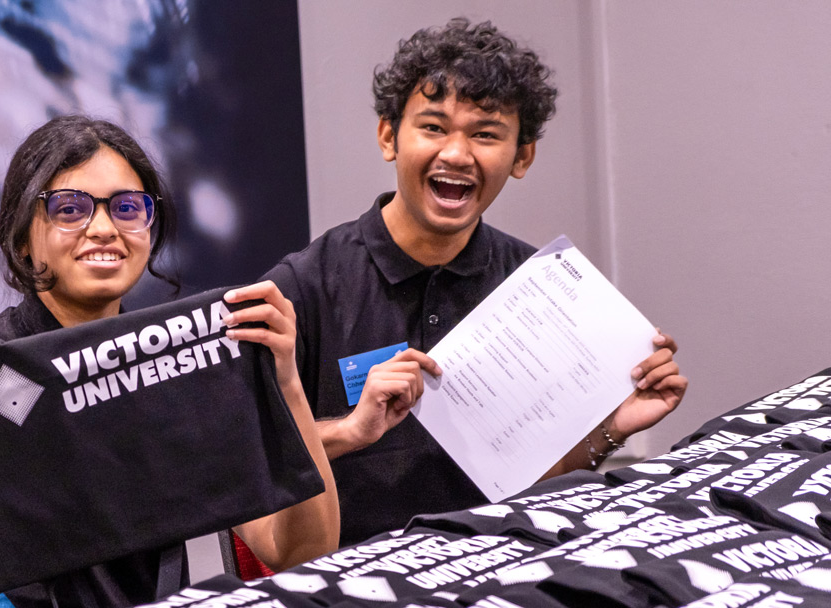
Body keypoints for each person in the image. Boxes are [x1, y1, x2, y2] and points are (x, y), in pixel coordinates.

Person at [0, 115, 339, 606]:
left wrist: (286, 384)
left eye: (127, 207)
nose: (105, 228)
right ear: (22, 237)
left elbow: (300, 553)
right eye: (70, 208)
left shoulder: (182, 366)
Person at [262, 18, 688, 547]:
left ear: (522, 156)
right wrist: (350, 430)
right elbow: (246, 463)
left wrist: (613, 427)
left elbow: (534, 482)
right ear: (389, 136)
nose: (458, 154)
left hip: (499, 570)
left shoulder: (541, 289)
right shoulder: (303, 289)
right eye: (434, 127)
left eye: (485, 134)